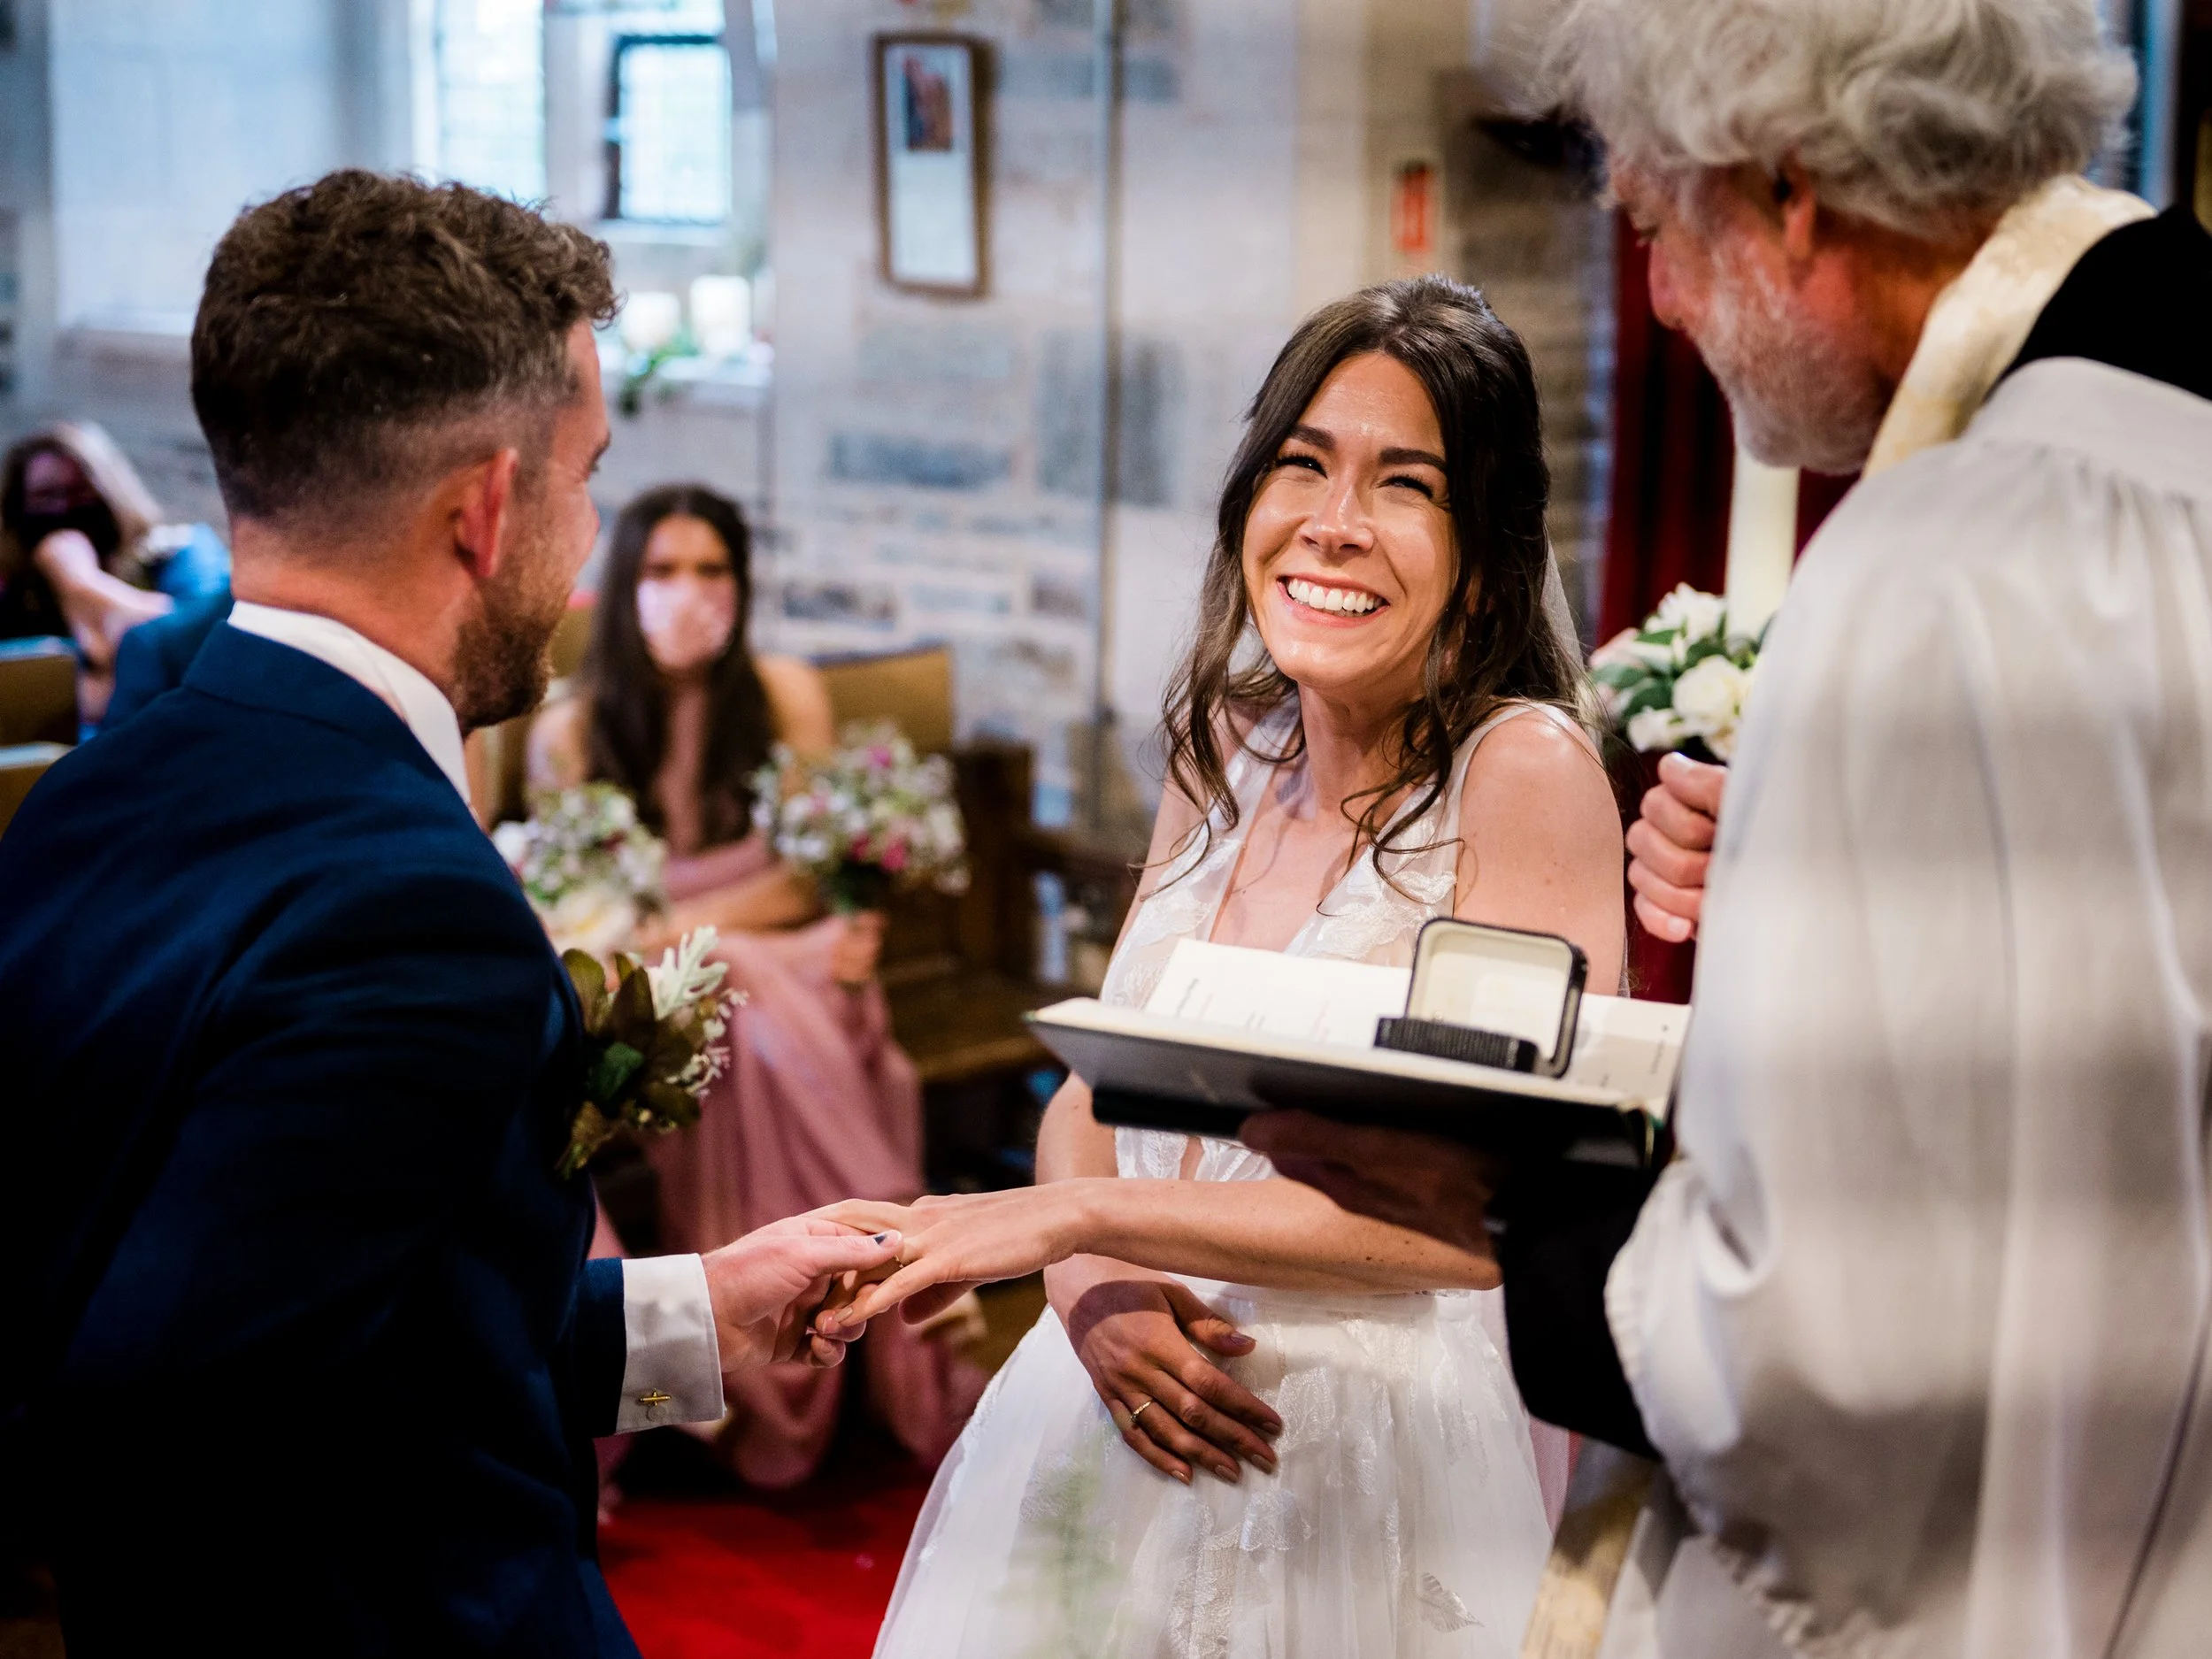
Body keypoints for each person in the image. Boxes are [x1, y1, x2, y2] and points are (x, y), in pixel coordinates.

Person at [1246, 3, 2212, 1656]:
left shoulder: (1952, 567)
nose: (1667, 299)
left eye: (1654, 229)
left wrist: (1497, 1209)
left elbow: (1819, 1364)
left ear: (1788, 194)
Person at [0, 171, 904, 1657]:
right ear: (488, 507)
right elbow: (212, 1429)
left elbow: (356, 1356)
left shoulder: (89, 801)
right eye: (588, 475)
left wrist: (701, 1315)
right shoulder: (417, 910)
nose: (591, 539)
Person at [826, 276, 1625, 1657]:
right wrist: (1087, 1295)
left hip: (1357, 1452)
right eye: (1301, 463)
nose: (1333, 521)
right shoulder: (1228, 750)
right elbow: (1098, 1084)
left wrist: (1072, 1229)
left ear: (1487, 553)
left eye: (1405, 483)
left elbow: (1486, 1218)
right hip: (1121, 1380)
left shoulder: (1523, 776)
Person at [528, 484, 984, 1488]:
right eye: (661, 572)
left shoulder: (782, 693)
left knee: (764, 1000)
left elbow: (805, 876)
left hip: (780, 962)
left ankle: (831, 1305)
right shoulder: (571, 730)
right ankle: (860, 1271)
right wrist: (705, 941)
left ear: (740, 586)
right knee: (736, 1012)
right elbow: (586, 914)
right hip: (663, 987)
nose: (687, 594)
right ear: (622, 588)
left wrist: (701, 930)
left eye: (710, 571)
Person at [0, 421, 232, 726]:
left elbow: (202, 639)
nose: (63, 508)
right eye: (46, 497)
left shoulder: (178, 552)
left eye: (80, 492)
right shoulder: (13, 589)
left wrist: (80, 581)